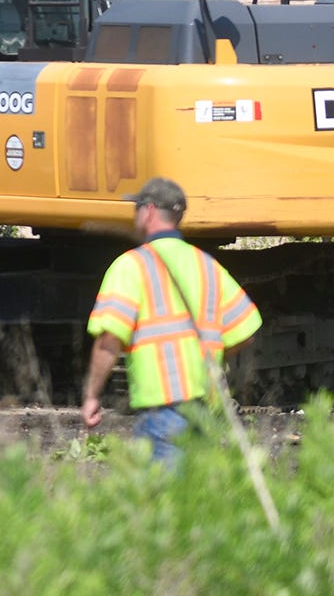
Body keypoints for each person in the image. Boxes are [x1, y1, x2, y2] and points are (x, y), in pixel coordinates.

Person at [80, 177, 261, 465]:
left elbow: (109, 340)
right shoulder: (206, 264)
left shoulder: (132, 266)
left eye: (136, 208)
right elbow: (245, 332)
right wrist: (208, 354)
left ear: (149, 211)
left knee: (162, 500)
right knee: (195, 500)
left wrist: (91, 395)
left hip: (162, 409)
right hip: (206, 407)